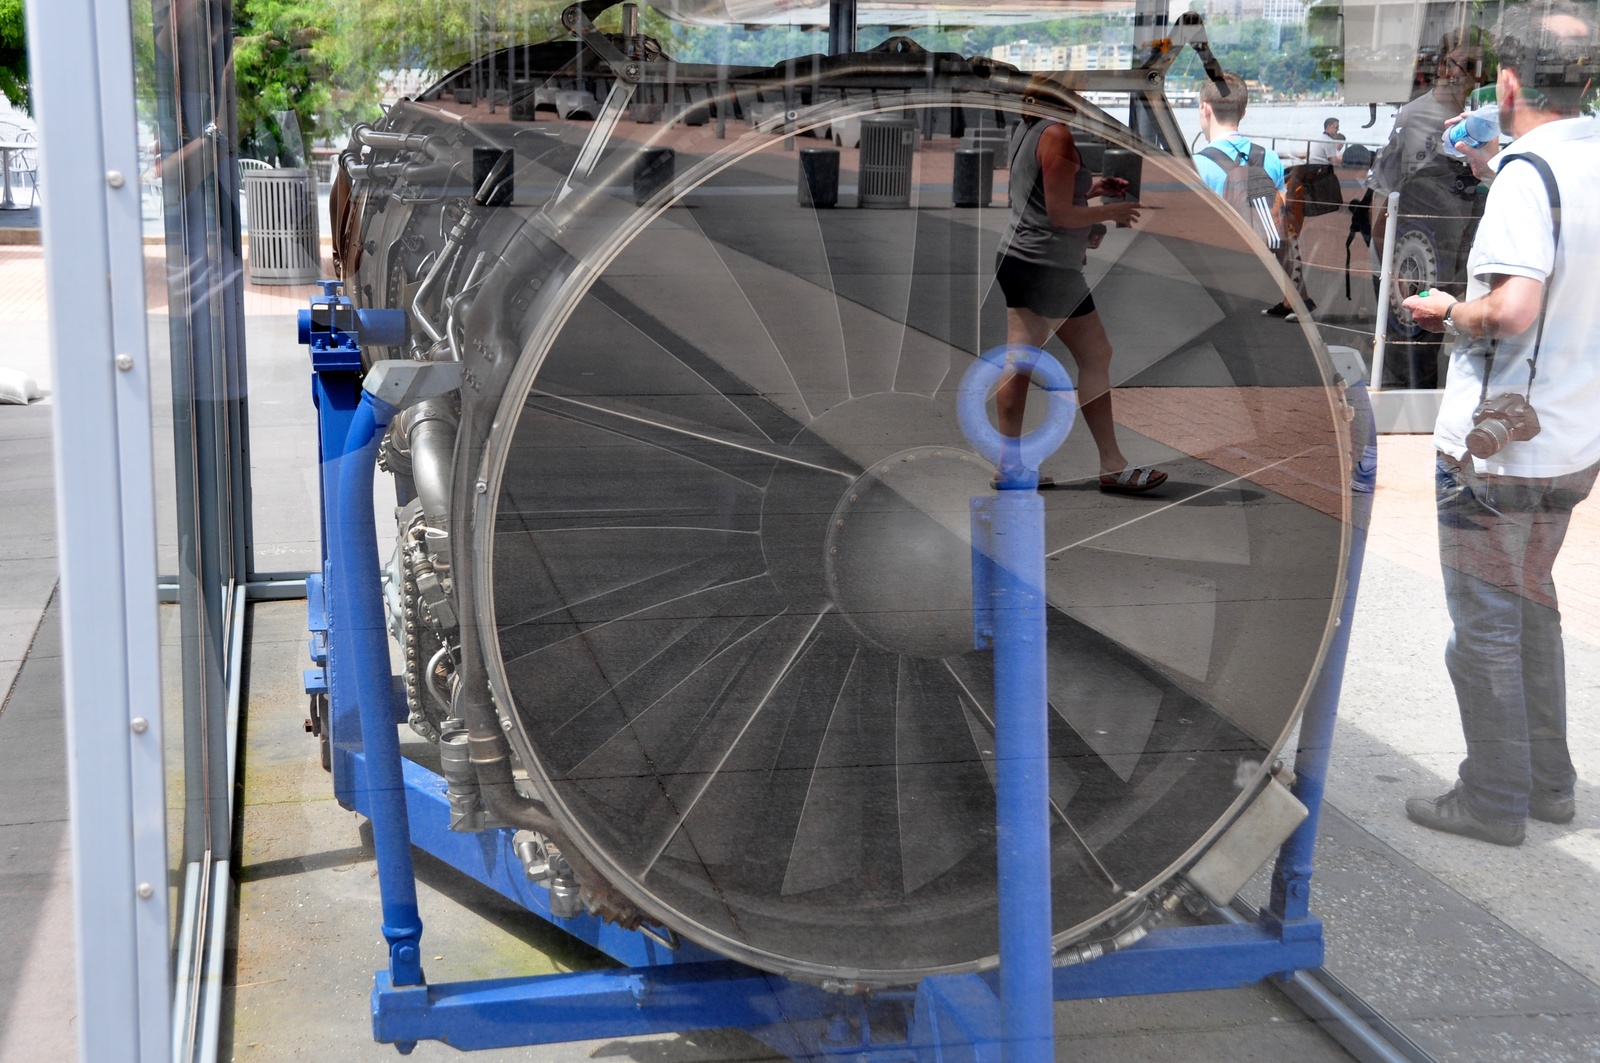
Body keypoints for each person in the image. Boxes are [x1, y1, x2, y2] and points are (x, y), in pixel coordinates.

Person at [1400, 0, 1600, 847]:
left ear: (1509, 83)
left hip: (1499, 447)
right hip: (1573, 442)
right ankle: (1548, 784)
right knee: (1532, 607)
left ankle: (1492, 798)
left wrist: (1449, 309)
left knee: (1484, 624)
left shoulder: (1529, 176)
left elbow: (1513, 309)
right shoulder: (1583, 161)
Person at [994, 95, 1166, 494]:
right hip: (1048, 267)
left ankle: (1009, 466)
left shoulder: (1028, 126)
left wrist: (1092, 189)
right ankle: (1113, 464)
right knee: (1095, 355)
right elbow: (1060, 215)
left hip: (1019, 258)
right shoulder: (1057, 134)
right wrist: (1111, 212)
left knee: (1020, 359)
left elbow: (1038, 195)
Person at [1368, 28, 1488, 387]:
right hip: (1417, 255)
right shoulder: (1413, 116)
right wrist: (1385, 262)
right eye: (1461, 64)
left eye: (1476, 66)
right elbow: (1385, 192)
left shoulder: (1486, 120)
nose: (1468, 74)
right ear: (1442, 66)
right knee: (1412, 355)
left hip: (1464, 254)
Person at [1193, 73, 1307, 321]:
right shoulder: (1270, 158)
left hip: (1215, 274)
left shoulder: (1196, 165)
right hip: (1263, 262)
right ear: (1243, 113)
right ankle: (1294, 298)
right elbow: (1281, 215)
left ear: (1205, 109)